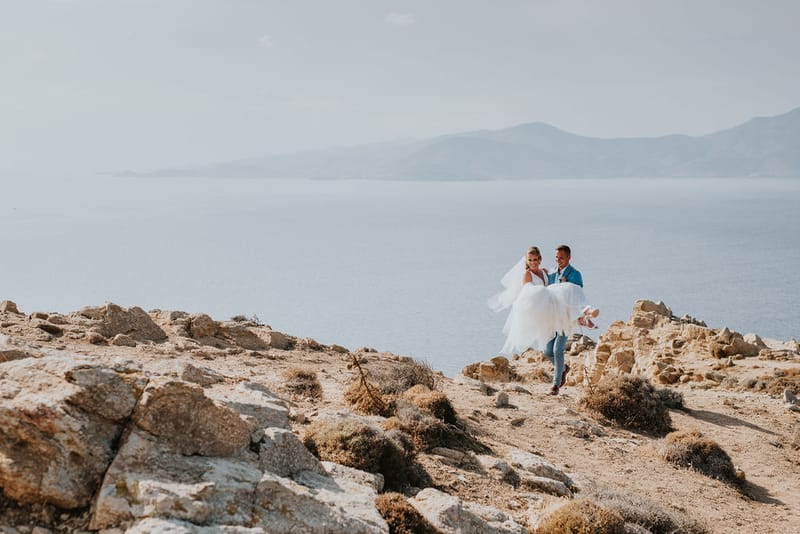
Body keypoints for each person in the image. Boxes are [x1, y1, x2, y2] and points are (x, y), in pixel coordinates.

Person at [488, 244, 598, 396]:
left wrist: (563, 285)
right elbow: (531, 293)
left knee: (558, 350)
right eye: (530, 260)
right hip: (548, 318)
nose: (533, 262)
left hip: (563, 317)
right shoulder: (543, 274)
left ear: (540, 259)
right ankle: (563, 368)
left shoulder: (555, 273)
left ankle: (555, 385)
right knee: (547, 351)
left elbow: (576, 294)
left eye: (535, 260)